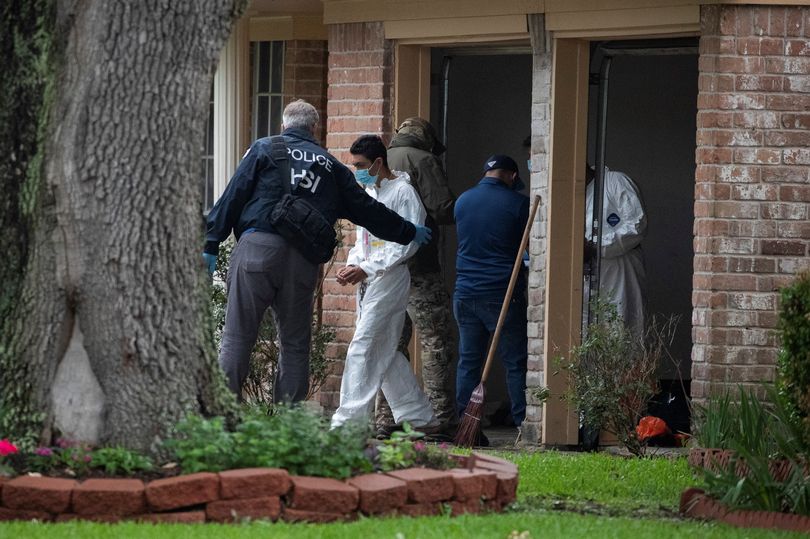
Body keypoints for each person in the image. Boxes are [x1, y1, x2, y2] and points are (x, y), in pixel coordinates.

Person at [203, 100, 432, 401]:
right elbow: (368, 211)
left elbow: (233, 195)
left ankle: (221, 417)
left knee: (236, 337)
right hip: (302, 260)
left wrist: (211, 243)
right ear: (315, 128)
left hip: (256, 250)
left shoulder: (263, 149)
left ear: (284, 126)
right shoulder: (332, 167)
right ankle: (288, 424)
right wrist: (408, 231)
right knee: (295, 343)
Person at [330, 135, 440, 432]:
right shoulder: (368, 191)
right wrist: (355, 263)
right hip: (369, 280)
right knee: (386, 350)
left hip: (390, 278)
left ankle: (347, 424)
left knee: (363, 346)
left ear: (379, 162)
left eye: (362, 165)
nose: (357, 170)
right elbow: (361, 239)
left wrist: (365, 268)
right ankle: (419, 417)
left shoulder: (404, 193)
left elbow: (406, 244)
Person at [372, 117, 457, 435]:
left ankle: (386, 418)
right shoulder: (424, 159)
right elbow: (443, 208)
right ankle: (439, 418)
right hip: (419, 267)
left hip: (382, 268)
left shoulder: (379, 160)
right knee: (437, 341)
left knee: (390, 343)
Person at [454, 155, 529, 445]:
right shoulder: (518, 204)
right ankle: (525, 425)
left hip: (465, 291)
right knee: (515, 362)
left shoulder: (463, 200)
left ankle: (466, 424)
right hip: (501, 292)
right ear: (512, 175)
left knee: (468, 361)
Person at [584, 165, 647, 335]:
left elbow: (637, 225)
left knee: (621, 330)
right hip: (588, 277)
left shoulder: (614, 182)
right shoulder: (570, 194)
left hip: (620, 272)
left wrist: (595, 246)